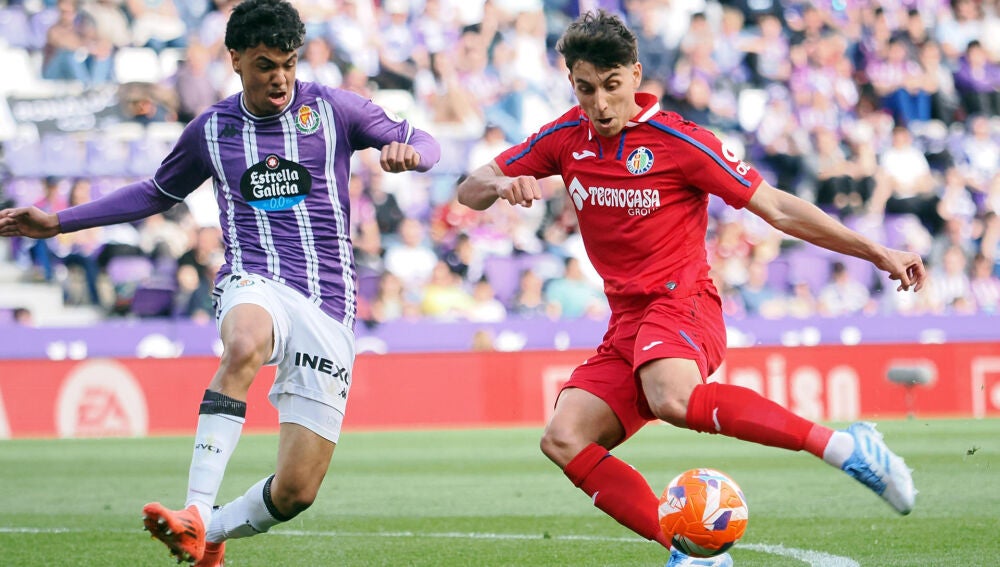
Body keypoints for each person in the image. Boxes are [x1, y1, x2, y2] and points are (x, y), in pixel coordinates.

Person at [456, 11, 922, 567]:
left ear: (635, 73)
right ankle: (693, 553)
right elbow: (469, 189)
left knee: (671, 396)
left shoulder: (680, 140)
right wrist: (502, 182)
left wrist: (877, 251)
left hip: (684, 303)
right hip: (626, 324)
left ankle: (846, 446)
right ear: (572, 82)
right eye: (585, 89)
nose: (600, 105)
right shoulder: (563, 138)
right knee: (564, 437)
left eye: (611, 87)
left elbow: (777, 208)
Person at [0, 1, 440, 565]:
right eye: (264, 64)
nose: (279, 76)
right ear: (235, 60)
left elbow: (426, 140)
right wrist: (61, 222)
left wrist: (413, 155)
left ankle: (206, 537)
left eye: (288, 62)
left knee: (296, 490)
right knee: (244, 342)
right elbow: (154, 192)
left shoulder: (333, 109)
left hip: (330, 304)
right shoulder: (213, 129)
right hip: (253, 278)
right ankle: (197, 509)